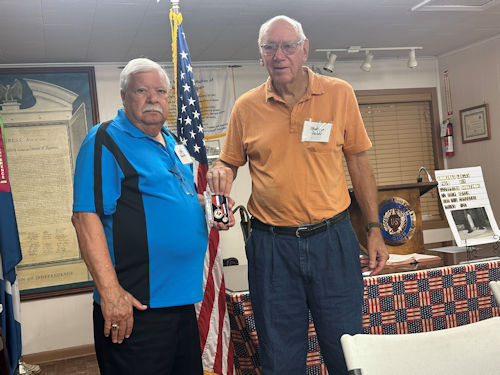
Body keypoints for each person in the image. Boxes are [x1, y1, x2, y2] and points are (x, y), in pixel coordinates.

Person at [207, 15, 389, 375]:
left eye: (288, 46)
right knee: (280, 356)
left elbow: (358, 164)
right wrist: (220, 174)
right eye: (270, 47)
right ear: (260, 56)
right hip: (271, 246)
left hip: (333, 241)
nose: (280, 55)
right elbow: (229, 162)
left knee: (347, 351)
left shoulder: (339, 94)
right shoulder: (246, 106)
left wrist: (373, 227)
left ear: (304, 49)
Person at [72, 58, 207, 375]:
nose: (153, 98)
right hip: (136, 304)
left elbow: (179, 198)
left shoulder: (173, 143)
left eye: (160, 91)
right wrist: (110, 293)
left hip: (181, 300)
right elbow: (84, 217)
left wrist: (209, 207)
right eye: (142, 90)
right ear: (124, 96)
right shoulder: (105, 138)